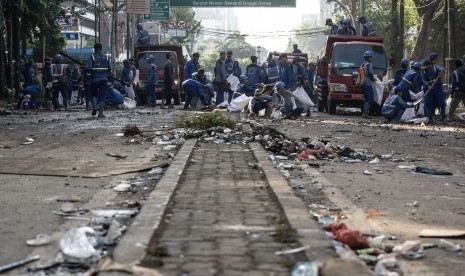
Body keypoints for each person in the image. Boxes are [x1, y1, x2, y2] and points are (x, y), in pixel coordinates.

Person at [86, 43, 112, 117]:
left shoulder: (92, 56)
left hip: (94, 80)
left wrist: (85, 68)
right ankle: (101, 113)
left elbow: (89, 68)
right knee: (102, 96)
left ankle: (94, 107)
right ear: (101, 48)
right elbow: (109, 69)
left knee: (93, 94)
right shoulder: (107, 57)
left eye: (94, 49)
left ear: (96, 48)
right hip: (104, 80)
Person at [423, 53, 446, 122]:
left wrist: (442, 72)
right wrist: (427, 85)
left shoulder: (435, 67)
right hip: (429, 89)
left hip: (437, 87)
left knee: (441, 102)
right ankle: (429, 117)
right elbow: (423, 79)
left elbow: (442, 69)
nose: (435, 61)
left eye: (435, 60)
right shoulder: (423, 69)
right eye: (434, 60)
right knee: (429, 103)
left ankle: (443, 117)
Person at [360, 51, 375, 118]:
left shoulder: (363, 65)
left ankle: (364, 112)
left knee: (365, 98)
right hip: (368, 84)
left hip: (363, 83)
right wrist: (374, 79)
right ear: (368, 57)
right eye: (371, 57)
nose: (372, 58)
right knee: (370, 98)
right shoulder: (369, 64)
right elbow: (371, 74)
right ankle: (365, 113)